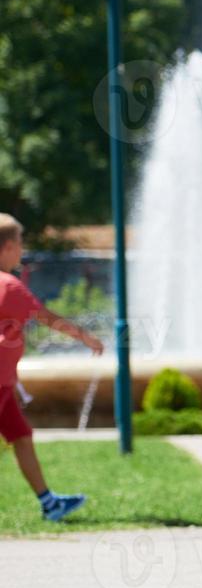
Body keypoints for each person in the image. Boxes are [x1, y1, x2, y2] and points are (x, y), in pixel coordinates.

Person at [0, 214, 104, 521]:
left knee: (20, 435)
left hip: (4, 383)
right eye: (20, 243)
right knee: (20, 436)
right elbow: (46, 318)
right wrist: (87, 338)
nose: (22, 249)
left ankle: (49, 503)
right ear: (6, 246)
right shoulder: (9, 286)